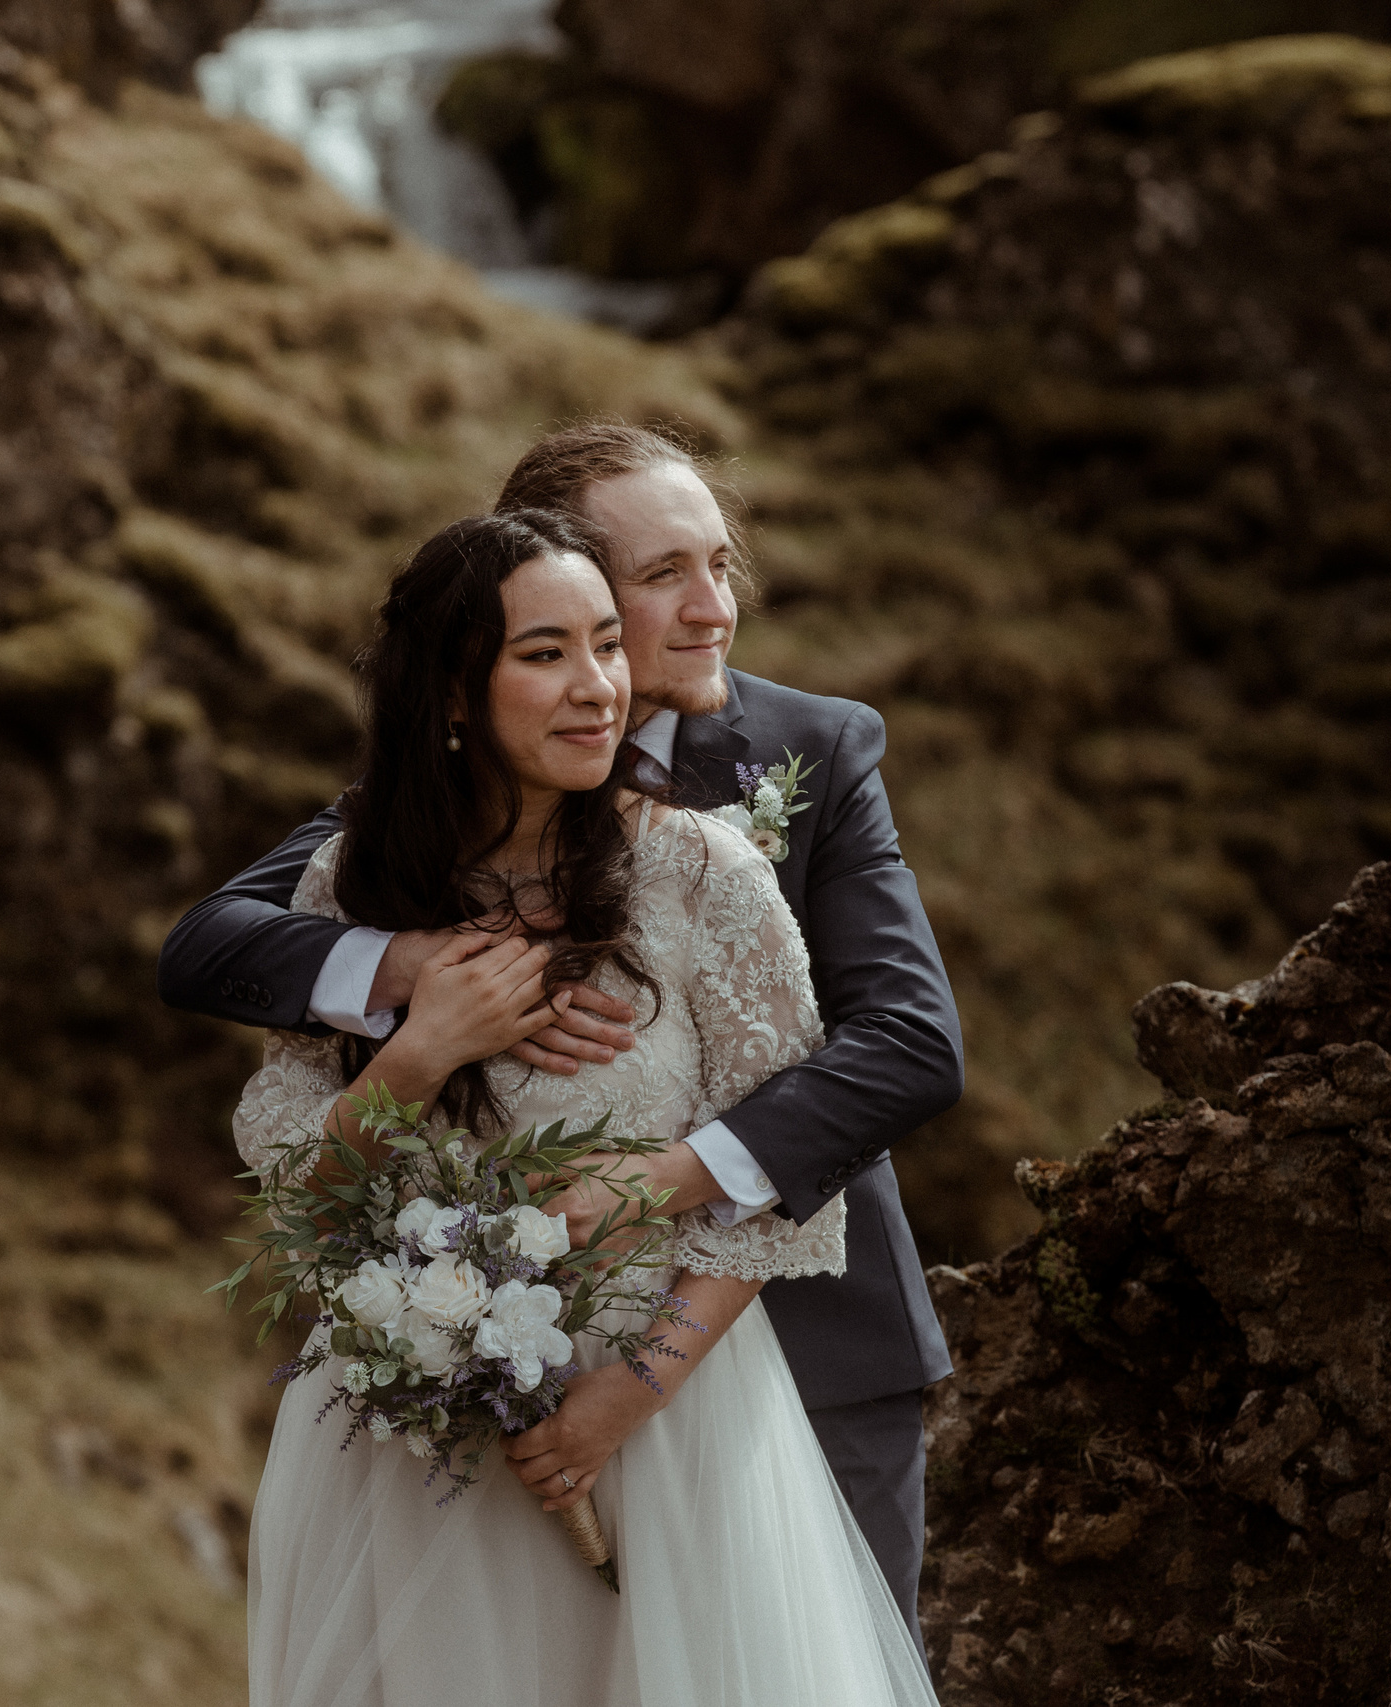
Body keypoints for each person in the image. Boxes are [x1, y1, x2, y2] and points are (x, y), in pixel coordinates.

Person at [161, 424, 961, 1639]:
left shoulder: (809, 754)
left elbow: (909, 1043)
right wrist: (424, 975)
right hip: (482, 1393)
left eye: (720, 564)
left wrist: (667, 1183)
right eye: (659, 576)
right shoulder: (422, 814)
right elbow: (211, 942)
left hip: (800, 1348)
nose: (709, 610)